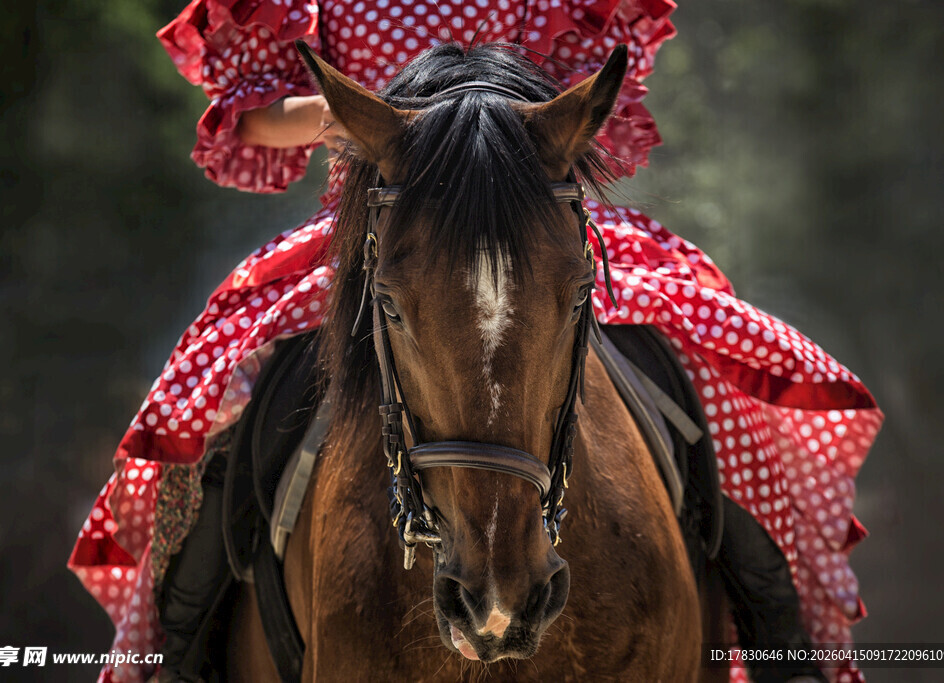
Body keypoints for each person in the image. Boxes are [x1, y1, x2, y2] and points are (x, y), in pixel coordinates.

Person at [68, 1, 883, 682]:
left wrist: (496, 122)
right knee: (220, 402)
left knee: (714, 369)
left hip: (523, 216)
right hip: (385, 226)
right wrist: (373, 118)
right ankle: (177, 645)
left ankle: (782, 637)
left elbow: (597, 93)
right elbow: (252, 116)